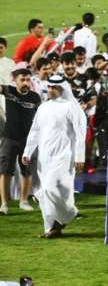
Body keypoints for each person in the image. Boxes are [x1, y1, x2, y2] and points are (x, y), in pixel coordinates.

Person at [22, 75, 86, 238]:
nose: (50, 90)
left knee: (49, 190)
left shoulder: (71, 107)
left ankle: (69, 214)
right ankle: (51, 228)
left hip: (64, 156)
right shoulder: (43, 107)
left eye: (54, 87)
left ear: (63, 89)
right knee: (45, 193)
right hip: (44, 157)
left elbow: (80, 133)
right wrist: (27, 151)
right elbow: (35, 131)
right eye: (49, 87)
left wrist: (80, 156)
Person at [0, 68, 40, 214]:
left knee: (26, 171)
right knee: (5, 171)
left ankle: (24, 201)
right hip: (9, 137)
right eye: (22, 80)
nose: (25, 83)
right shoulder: (9, 91)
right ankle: (4, 204)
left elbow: (39, 118)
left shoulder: (35, 97)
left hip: (28, 140)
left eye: (28, 80)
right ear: (15, 80)